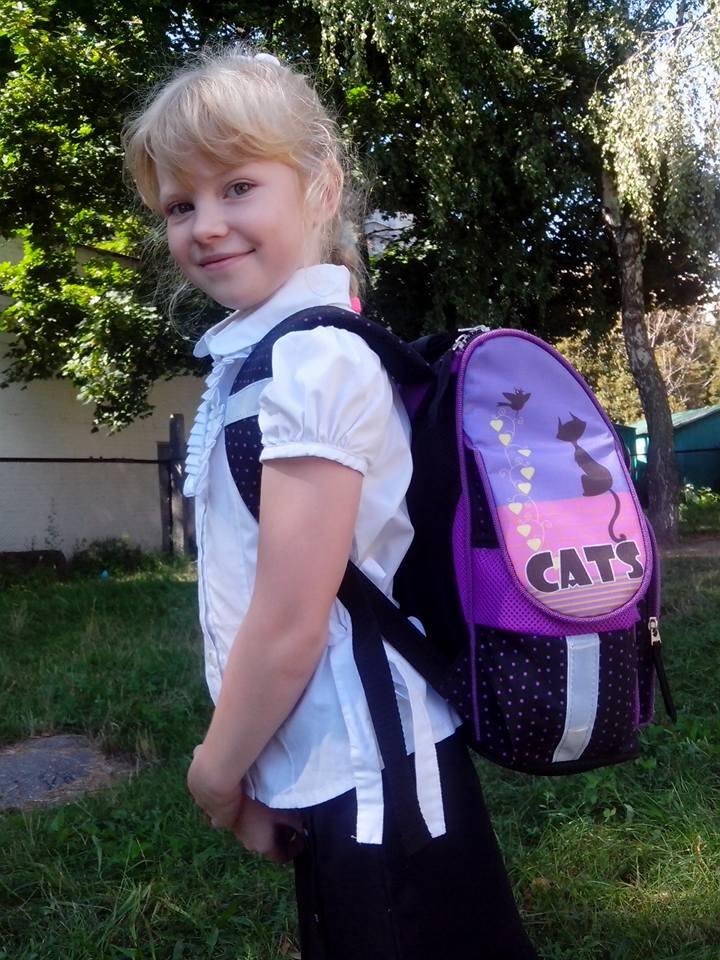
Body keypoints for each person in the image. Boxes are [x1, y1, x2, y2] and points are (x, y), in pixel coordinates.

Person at [123, 44, 538, 959]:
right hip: (340, 767)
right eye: (181, 205)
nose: (206, 226)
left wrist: (215, 777)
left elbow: (290, 623)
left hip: (380, 784)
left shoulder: (316, 362)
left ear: (321, 187)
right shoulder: (262, 358)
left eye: (238, 187)